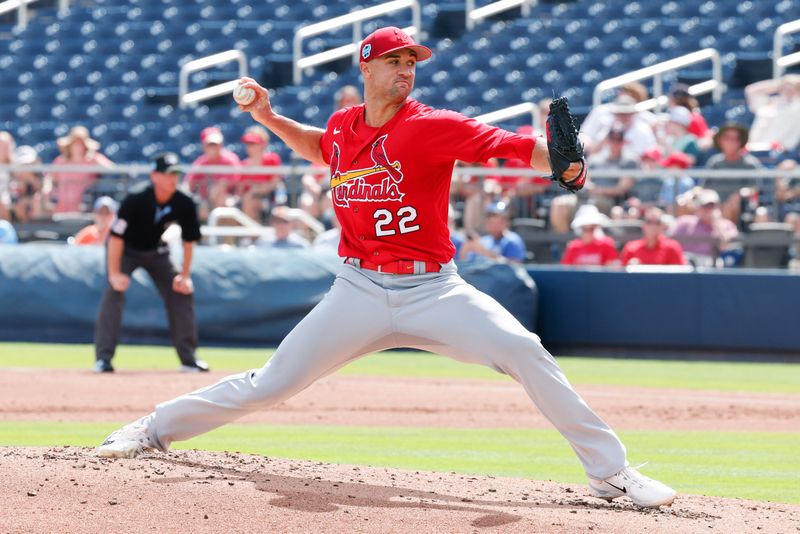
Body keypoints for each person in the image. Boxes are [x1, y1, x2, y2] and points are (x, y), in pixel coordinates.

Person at [97, 27, 675, 508]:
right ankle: (153, 429)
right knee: (271, 383)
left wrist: (566, 168)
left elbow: (513, 145)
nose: (406, 70)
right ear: (367, 67)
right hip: (359, 288)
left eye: (412, 62)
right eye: (395, 60)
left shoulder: (429, 125)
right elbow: (317, 145)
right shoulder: (347, 126)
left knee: (524, 349)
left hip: (434, 290)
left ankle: (610, 472)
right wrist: (270, 116)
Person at [93, 152, 208, 374]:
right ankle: (103, 359)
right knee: (113, 292)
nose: (173, 178)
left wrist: (184, 275)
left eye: (176, 174)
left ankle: (188, 359)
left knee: (181, 292)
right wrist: (115, 273)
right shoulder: (136, 198)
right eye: (168, 174)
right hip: (125, 250)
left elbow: (189, 241)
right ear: (155, 176)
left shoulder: (184, 202)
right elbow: (116, 237)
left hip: (156, 250)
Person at [704, 122, 763, 224]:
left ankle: (727, 237)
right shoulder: (714, 162)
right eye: (727, 138)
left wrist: (739, 194)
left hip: (742, 209)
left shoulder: (750, 164)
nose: (731, 142)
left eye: (735, 139)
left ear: (741, 142)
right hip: (713, 206)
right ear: (720, 141)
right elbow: (704, 187)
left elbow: (754, 188)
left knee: (730, 206)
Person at [48, 126, 113, 214]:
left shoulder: (92, 159)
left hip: (83, 208)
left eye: (81, 143)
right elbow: (50, 178)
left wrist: (94, 158)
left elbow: (112, 169)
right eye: (75, 143)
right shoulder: (61, 160)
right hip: (61, 207)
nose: (78, 146)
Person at [669, 188, 739, 265]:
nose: (708, 210)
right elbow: (668, 241)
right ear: (697, 207)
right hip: (686, 263)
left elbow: (724, 246)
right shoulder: (684, 222)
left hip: (712, 265)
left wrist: (716, 223)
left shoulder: (727, 225)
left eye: (712, 206)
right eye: (704, 206)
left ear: (718, 207)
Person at [184, 127, 241, 217]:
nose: (213, 148)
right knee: (201, 208)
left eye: (216, 144)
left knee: (220, 193)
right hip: (205, 201)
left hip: (229, 199)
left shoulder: (230, 160)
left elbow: (237, 184)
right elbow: (188, 184)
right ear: (204, 146)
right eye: (210, 145)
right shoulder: (201, 162)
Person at [238, 125, 283, 223]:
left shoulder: (272, 159)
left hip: (268, 199)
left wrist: (256, 189)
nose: (249, 147)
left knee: (250, 201)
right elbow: (240, 189)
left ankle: (252, 236)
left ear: (263, 144)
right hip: (247, 199)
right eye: (248, 143)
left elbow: (274, 183)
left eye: (253, 143)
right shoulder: (243, 164)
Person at [745, 74, 800, 152]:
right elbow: (751, 90)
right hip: (753, 148)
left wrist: (795, 82)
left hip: (778, 152)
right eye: (785, 89)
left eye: (793, 89)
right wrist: (782, 82)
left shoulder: (797, 109)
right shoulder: (769, 104)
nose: (788, 92)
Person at [458, 202, 527, 263]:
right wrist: (465, 249)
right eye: (490, 218)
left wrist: (485, 252)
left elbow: (515, 266)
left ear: (505, 222)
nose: (492, 223)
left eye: (497, 219)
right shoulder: (484, 240)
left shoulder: (512, 240)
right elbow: (466, 263)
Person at [620, 207, 687, 266]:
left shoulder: (672, 247)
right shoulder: (631, 248)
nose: (653, 226)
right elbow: (621, 275)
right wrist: (629, 267)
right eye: (649, 222)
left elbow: (680, 275)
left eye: (657, 222)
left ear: (662, 226)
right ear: (644, 225)